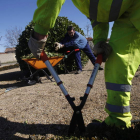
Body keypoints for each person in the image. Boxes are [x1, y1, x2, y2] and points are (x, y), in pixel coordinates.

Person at [28, 0, 140, 130]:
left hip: (83, 45)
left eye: (71, 32)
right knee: (116, 62)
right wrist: (100, 41)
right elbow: (97, 16)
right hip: (127, 14)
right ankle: (118, 122)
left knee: (91, 56)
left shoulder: (77, 36)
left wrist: (40, 31)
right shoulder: (71, 31)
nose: (70, 33)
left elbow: (74, 43)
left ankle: (89, 64)